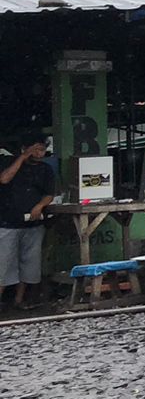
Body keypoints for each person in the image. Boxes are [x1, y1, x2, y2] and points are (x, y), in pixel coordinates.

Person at [0, 130, 57, 308]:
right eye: (36, 150)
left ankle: (19, 300)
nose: (39, 154)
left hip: (33, 222)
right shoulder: (8, 162)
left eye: (42, 150)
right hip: (8, 221)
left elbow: (49, 194)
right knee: (3, 263)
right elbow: (4, 179)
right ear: (25, 148)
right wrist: (23, 157)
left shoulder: (45, 169)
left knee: (29, 263)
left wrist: (39, 206)